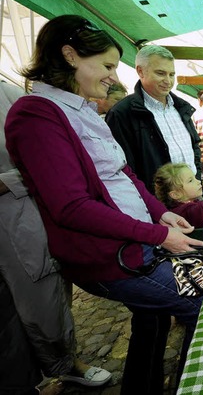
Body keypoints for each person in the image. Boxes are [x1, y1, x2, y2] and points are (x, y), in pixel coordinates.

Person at [5, 15, 203, 395]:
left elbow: (124, 174)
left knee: (154, 319)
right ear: (69, 56)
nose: (114, 77)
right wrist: (158, 234)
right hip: (110, 257)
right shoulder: (36, 113)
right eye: (108, 65)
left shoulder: (82, 109)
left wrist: (160, 212)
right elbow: (72, 207)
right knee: (199, 302)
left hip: (136, 243)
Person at [0, 81, 110, 395]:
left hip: (19, 216)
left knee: (44, 298)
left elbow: (44, 158)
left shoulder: (12, 97)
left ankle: (66, 364)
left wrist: (9, 181)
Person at [106, 45, 202, 193]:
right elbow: (124, 168)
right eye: (160, 73)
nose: (168, 81)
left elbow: (194, 147)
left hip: (191, 198)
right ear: (140, 71)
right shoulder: (122, 113)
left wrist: (197, 180)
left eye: (171, 74)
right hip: (156, 205)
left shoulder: (181, 108)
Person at [154, 156, 203, 228]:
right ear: (175, 194)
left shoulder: (192, 203)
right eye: (190, 181)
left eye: (195, 178)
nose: (198, 181)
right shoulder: (183, 212)